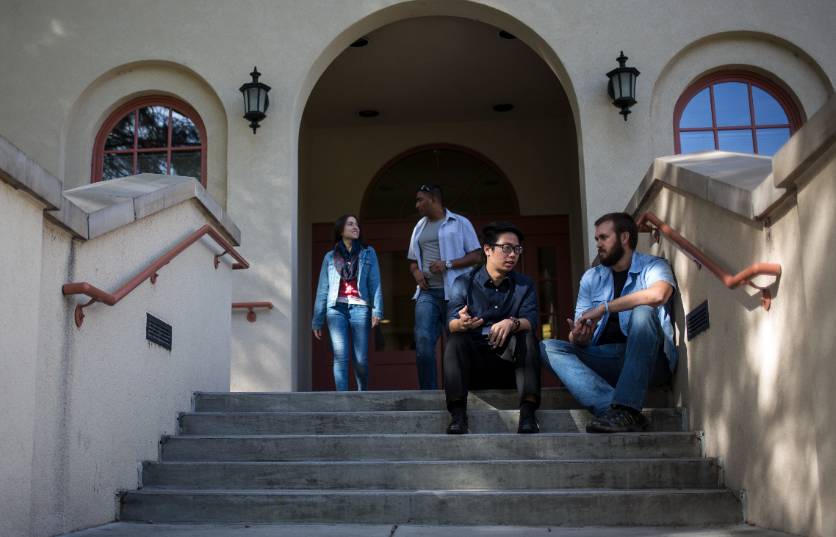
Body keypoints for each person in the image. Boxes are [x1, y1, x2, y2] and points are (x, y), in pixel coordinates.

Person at [540, 212, 677, 433]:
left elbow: (658, 295)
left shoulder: (654, 266)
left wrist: (605, 307)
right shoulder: (592, 277)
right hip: (605, 359)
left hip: (648, 361)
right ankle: (620, 411)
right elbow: (578, 329)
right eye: (596, 239)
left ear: (624, 237)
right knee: (548, 347)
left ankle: (624, 408)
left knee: (643, 312)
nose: (598, 244)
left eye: (604, 238)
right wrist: (579, 337)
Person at [443, 221, 541, 434]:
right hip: (473, 368)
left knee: (526, 337)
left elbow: (531, 322)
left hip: (511, 368)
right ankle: (458, 415)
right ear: (487, 250)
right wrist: (462, 323)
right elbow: (450, 323)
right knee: (456, 340)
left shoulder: (524, 284)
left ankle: (528, 414)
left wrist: (511, 322)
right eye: (506, 248)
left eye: (517, 249)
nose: (512, 254)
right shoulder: (464, 282)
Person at [407, 184, 481, 390]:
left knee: (457, 344)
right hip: (427, 292)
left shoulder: (460, 223)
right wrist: (416, 273)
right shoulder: (419, 228)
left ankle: (459, 390)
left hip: (455, 293)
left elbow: (476, 256)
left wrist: (447, 263)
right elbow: (412, 261)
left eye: (420, 200)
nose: (417, 205)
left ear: (434, 200)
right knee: (422, 341)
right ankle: (428, 393)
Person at [312, 214, 383, 391]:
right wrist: (317, 319)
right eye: (350, 224)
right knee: (340, 356)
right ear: (341, 230)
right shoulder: (330, 257)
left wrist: (377, 310)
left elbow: (375, 282)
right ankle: (342, 399)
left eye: (357, 225)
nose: (355, 227)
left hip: (360, 308)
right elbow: (323, 288)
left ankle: (361, 394)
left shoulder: (368, 253)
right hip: (336, 309)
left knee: (360, 359)